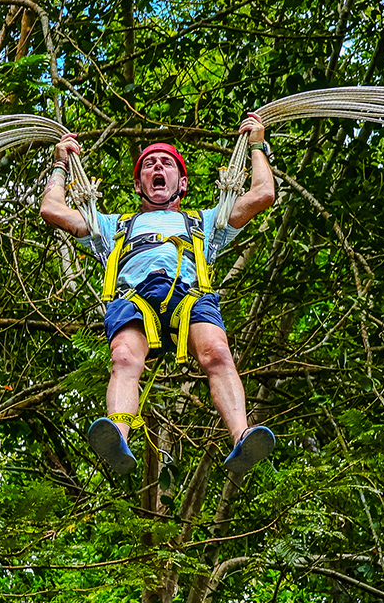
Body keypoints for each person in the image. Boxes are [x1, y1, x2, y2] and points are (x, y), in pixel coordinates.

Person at [40, 114, 277, 474]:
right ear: (140, 185)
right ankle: (117, 435)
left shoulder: (207, 221)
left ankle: (242, 436)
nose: (157, 168)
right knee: (123, 357)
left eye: (166, 164)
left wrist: (257, 146)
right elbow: (51, 209)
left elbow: (263, 194)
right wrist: (60, 165)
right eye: (149, 165)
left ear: (181, 182)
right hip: (134, 297)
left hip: (189, 295)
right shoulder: (113, 226)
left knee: (217, 353)